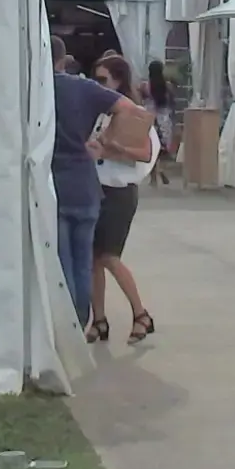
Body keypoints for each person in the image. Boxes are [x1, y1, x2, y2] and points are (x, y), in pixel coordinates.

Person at [89, 53, 160, 348]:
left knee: (110, 257)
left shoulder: (132, 114)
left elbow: (145, 154)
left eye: (103, 80)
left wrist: (114, 147)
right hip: (97, 186)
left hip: (119, 191)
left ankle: (140, 312)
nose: (98, 85)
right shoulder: (99, 112)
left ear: (117, 80)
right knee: (94, 259)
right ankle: (100, 318)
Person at [51, 38, 121, 332]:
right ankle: (80, 323)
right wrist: (107, 143)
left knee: (63, 264)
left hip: (56, 185)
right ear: (63, 58)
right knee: (84, 263)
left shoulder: (35, 89)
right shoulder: (86, 89)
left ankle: (68, 327)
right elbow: (132, 111)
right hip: (87, 185)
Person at [145, 58, 180, 185]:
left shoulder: (145, 86)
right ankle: (161, 170)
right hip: (164, 119)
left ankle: (154, 176)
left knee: (151, 148)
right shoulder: (168, 86)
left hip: (150, 118)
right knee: (162, 149)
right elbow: (172, 105)